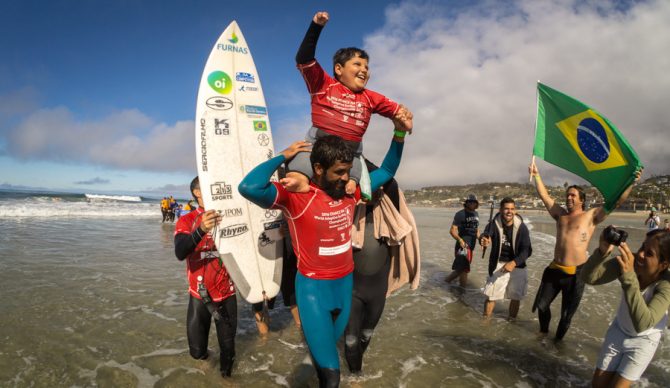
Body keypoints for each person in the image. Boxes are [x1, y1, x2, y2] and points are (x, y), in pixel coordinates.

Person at [239, 123, 407, 387]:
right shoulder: (295, 198)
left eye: (348, 171)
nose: (345, 178)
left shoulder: (351, 195)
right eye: (339, 172)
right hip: (313, 290)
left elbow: (387, 170)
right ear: (318, 169)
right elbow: (248, 187)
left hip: (344, 286)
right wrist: (284, 155)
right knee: (332, 376)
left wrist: (399, 133)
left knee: (324, 359)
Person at [284, 11, 412, 197]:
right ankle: (301, 187)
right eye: (357, 64)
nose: (364, 70)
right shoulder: (323, 85)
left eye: (367, 67)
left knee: (389, 185)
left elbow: (399, 112)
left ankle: (356, 191)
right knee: (299, 172)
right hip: (317, 147)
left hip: (351, 155)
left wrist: (405, 122)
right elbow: (304, 58)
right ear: (338, 69)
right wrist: (316, 27)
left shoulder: (370, 97)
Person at [529, 160, 640, 341]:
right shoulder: (560, 215)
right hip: (555, 269)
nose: (569, 198)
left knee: (566, 316)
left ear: (582, 199)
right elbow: (544, 195)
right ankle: (543, 332)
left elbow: (617, 201)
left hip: (576, 275)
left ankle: (557, 344)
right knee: (541, 305)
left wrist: (631, 181)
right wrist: (536, 174)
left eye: (573, 195)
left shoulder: (591, 216)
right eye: (567, 195)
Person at [581, 228, 670, 387]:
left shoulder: (665, 285)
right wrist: (602, 251)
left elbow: (643, 323)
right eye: (642, 247)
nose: (641, 254)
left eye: (649, 253)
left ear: (663, 264)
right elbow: (589, 278)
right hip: (619, 330)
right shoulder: (631, 261)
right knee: (597, 385)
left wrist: (629, 276)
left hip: (644, 341)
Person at [173, 177, 237, 377]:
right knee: (197, 352)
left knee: (228, 350)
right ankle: (207, 364)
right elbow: (180, 252)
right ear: (197, 193)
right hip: (199, 295)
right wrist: (201, 229)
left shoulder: (230, 216)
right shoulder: (187, 220)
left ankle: (226, 379)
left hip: (227, 293)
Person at [344, 162, 401, 374]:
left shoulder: (388, 212)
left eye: (377, 185)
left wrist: (360, 160)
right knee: (350, 339)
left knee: (366, 334)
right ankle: (356, 376)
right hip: (352, 291)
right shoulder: (347, 211)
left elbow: (390, 179)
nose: (374, 189)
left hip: (378, 293)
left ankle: (357, 362)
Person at [479, 197, 532, 319]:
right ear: (500, 209)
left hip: (518, 265)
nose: (509, 212)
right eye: (506, 209)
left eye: (512, 209)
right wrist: (483, 240)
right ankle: (485, 323)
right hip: (498, 263)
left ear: (515, 210)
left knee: (515, 297)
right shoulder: (493, 224)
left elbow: (527, 250)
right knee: (491, 296)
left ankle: (512, 321)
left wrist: (514, 262)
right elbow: (486, 234)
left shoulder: (522, 227)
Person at [445, 194, 480, 288]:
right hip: (463, 245)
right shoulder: (460, 214)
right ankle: (462, 291)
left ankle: (447, 283)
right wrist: (460, 240)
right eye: (470, 202)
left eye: (474, 202)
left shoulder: (476, 214)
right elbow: (452, 231)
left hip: (471, 246)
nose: (472, 204)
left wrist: (480, 239)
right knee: (464, 269)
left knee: (462, 269)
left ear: (476, 204)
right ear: (466, 203)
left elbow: (476, 229)